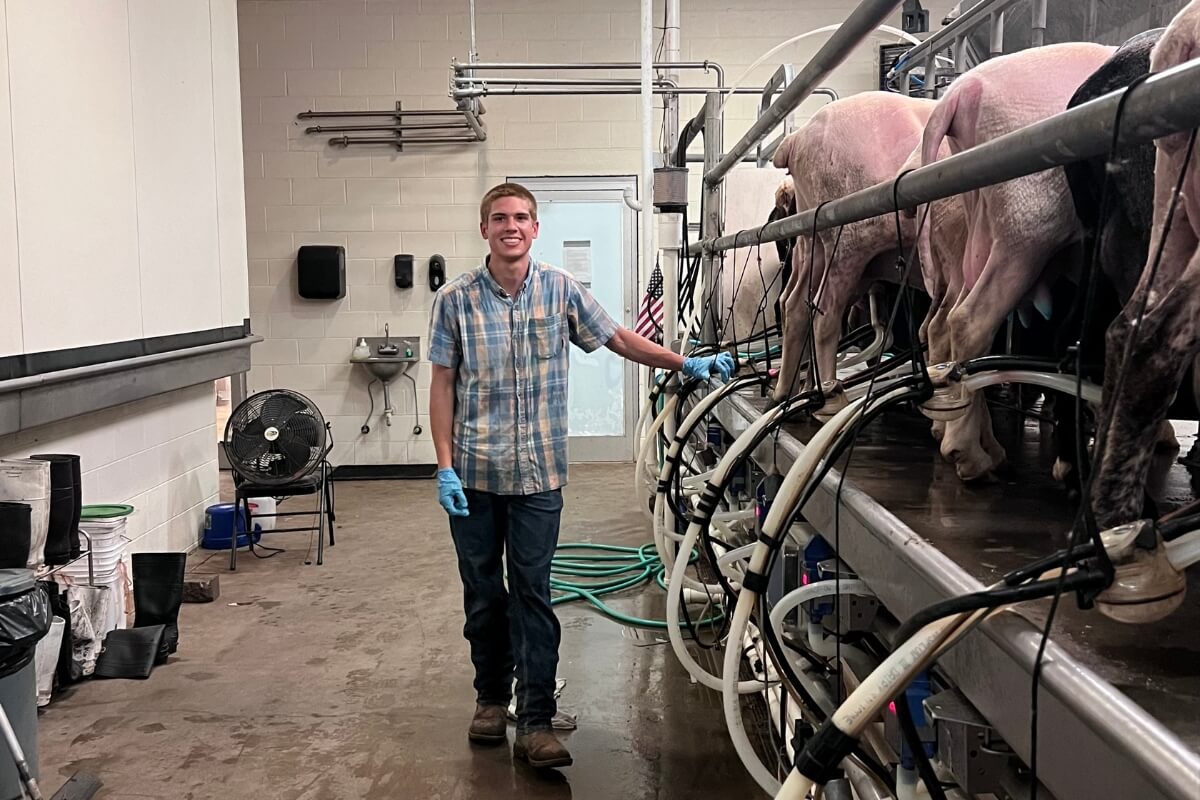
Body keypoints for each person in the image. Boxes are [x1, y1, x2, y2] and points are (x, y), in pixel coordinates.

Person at [427, 182, 734, 770]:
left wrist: (683, 362)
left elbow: (617, 337)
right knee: (484, 594)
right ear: (484, 229)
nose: (511, 226)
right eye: (500, 218)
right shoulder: (455, 300)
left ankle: (536, 720)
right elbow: (442, 385)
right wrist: (444, 467)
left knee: (533, 594)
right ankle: (490, 699)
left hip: (539, 476)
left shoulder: (560, 289)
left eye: (521, 217)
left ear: (535, 229)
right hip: (474, 475)